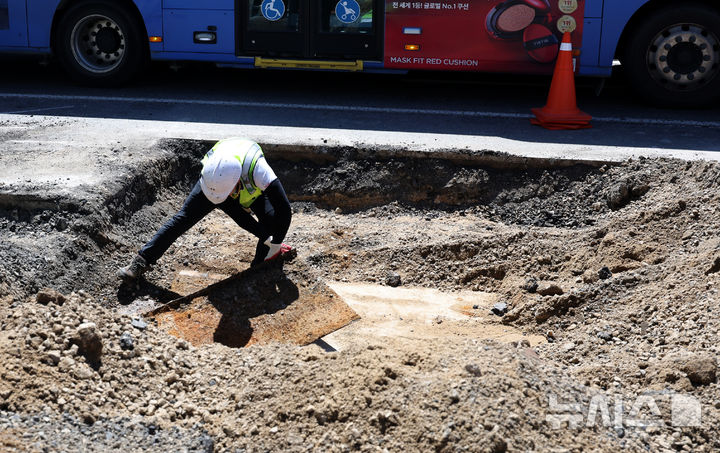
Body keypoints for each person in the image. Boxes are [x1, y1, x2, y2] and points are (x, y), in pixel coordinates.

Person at [117, 137, 292, 280]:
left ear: (236, 182)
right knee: (183, 218)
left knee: (272, 220)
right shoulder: (212, 171)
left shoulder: (260, 172)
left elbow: (284, 209)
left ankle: (261, 264)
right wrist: (263, 235)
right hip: (216, 184)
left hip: (250, 187)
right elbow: (239, 216)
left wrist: (274, 244)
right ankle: (142, 260)